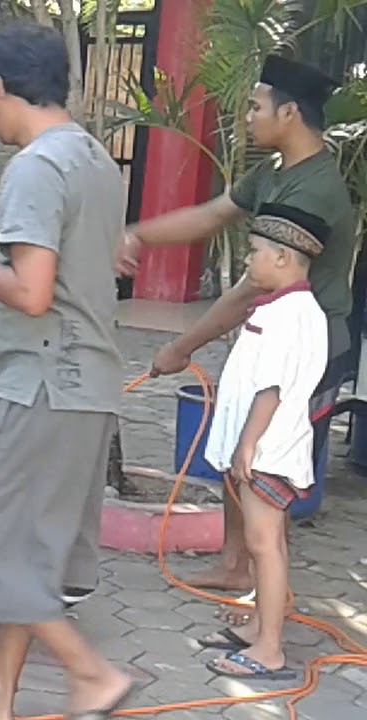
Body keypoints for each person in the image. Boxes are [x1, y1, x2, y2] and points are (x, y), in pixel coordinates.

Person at [0, 22, 133, 719]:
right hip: (88, 383)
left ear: (3, 89)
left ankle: (89, 673)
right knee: (28, 551)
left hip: (43, 381)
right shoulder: (98, 161)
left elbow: (31, 292)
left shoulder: (37, 168)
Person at [115, 55, 353, 619]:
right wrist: (136, 233)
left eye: (255, 106)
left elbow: (250, 286)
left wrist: (181, 346)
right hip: (264, 336)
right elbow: (211, 214)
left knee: (269, 467)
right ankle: (232, 564)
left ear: (290, 112)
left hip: (306, 351)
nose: (246, 116)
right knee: (232, 452)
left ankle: (267, 601)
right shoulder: (272, 171)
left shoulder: (313, 190)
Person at [195, 204, 329, 681]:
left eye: (253, 253)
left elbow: (271, 387)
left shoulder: (291, 314)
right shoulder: (284, 307)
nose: (248, 262)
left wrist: (246, 444)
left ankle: (270, 649)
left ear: (282, 258)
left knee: (264, 542)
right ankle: (258, 627)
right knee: (264, 542)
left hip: (268, 450)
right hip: (266, 447)